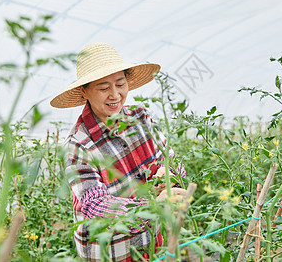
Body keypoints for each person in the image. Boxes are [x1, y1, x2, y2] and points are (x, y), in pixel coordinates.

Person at [50, 42, 187, 261]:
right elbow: (96, 205)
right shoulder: (78, 145)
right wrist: (152, 207)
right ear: (84, 92)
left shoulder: (141, 118)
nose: (115, 95)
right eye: (104, 88)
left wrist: (170, 175)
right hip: (112, 253)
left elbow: (170, 159)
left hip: (153, 245)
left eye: (120, 84)